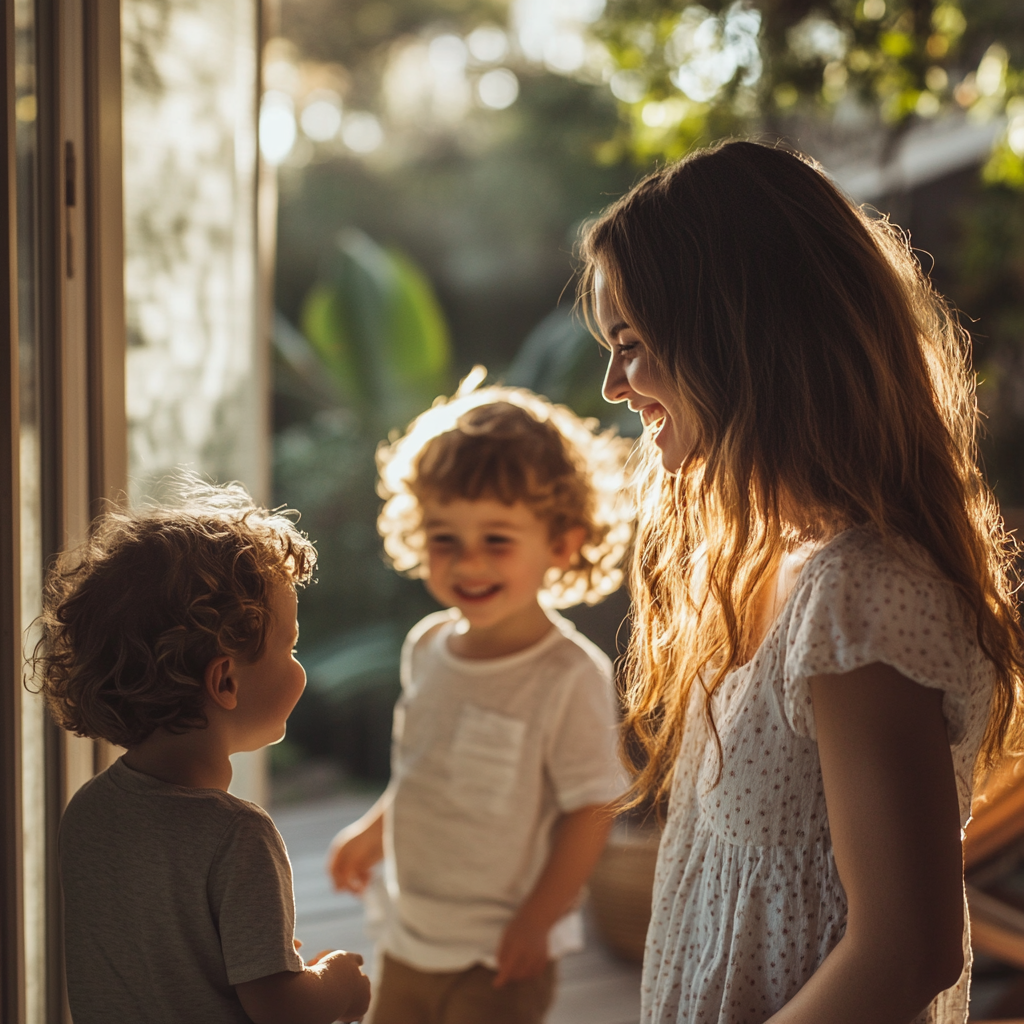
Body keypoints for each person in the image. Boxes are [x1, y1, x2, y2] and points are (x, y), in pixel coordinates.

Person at [581, 139, 1024, 1024]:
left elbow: (907, 949)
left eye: (630, 345)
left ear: (733, 335)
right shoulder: (771, 563)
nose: (612, 384)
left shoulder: (861, 596)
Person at [326, 380, 634, 1024]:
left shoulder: (568, 673)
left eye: (496, 539)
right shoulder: (427, 645)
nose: (468, 562)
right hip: (411, 933)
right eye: (445, 538)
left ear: (560, 543)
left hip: (501, 952)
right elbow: (423, 767)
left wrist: (538, 920)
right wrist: (375, 830)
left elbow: (592, 809)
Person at [35, 482, 371, 1024]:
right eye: (291, 646)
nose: (299, 666)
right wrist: (339, 982)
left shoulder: (90, 811)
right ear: (225, 682)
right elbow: (283, 1011)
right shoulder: (238, 836)